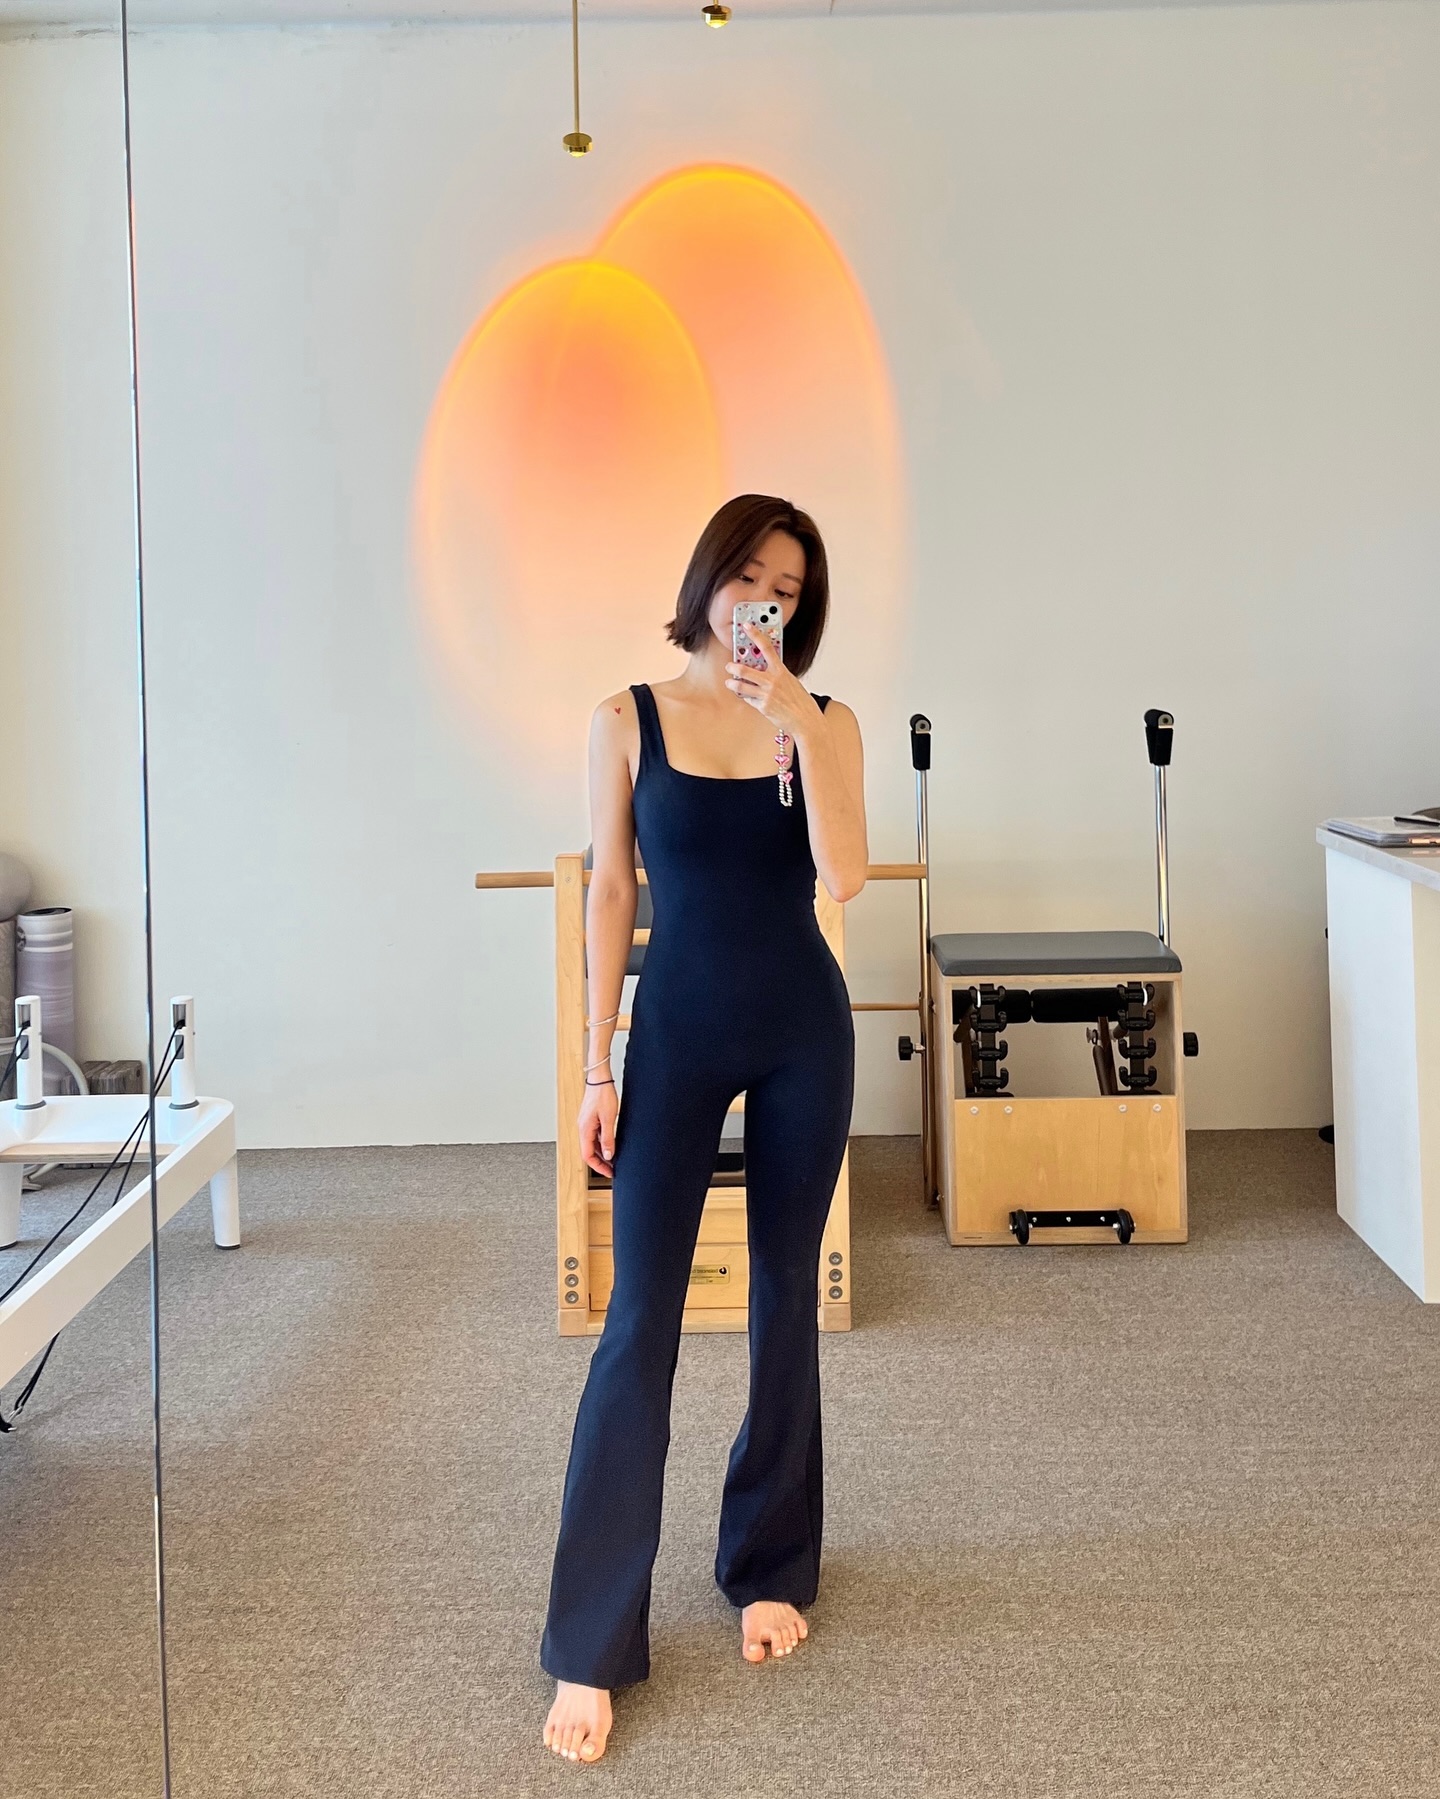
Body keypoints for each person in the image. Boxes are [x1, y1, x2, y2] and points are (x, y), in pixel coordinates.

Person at [540, 494, 868, 1765]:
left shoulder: (824, 720)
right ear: (708, 578)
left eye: (787, 588)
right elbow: (611, 889)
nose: (762, 603)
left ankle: (769, 1560)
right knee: (641, 1319)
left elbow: (845, 874)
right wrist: (595, 1063)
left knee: (786, 1293)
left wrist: (796, 717)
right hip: (675, 1036)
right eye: (747, 577)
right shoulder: (625, 717)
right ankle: (591, 1635)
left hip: (802, 1033)